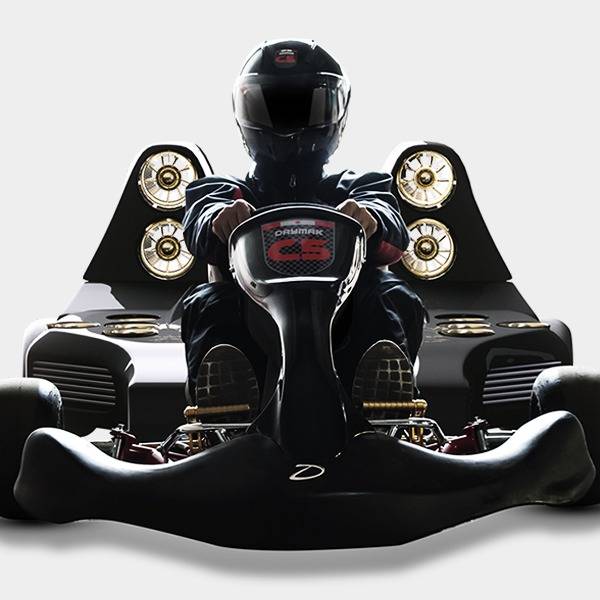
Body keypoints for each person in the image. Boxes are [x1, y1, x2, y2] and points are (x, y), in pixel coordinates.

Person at [181, 39, 425, 416]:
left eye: (301, 106)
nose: (288, 120)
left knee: (388, 294)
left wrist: (371, 220)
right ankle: (223, 412)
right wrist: (220, 220)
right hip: (254, 318)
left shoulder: (357, 188)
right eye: (275, 106)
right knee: (209, 303)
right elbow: (200, 222)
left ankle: (383, 406)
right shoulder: (227, 191)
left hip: (341, 319)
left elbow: (392, 228)